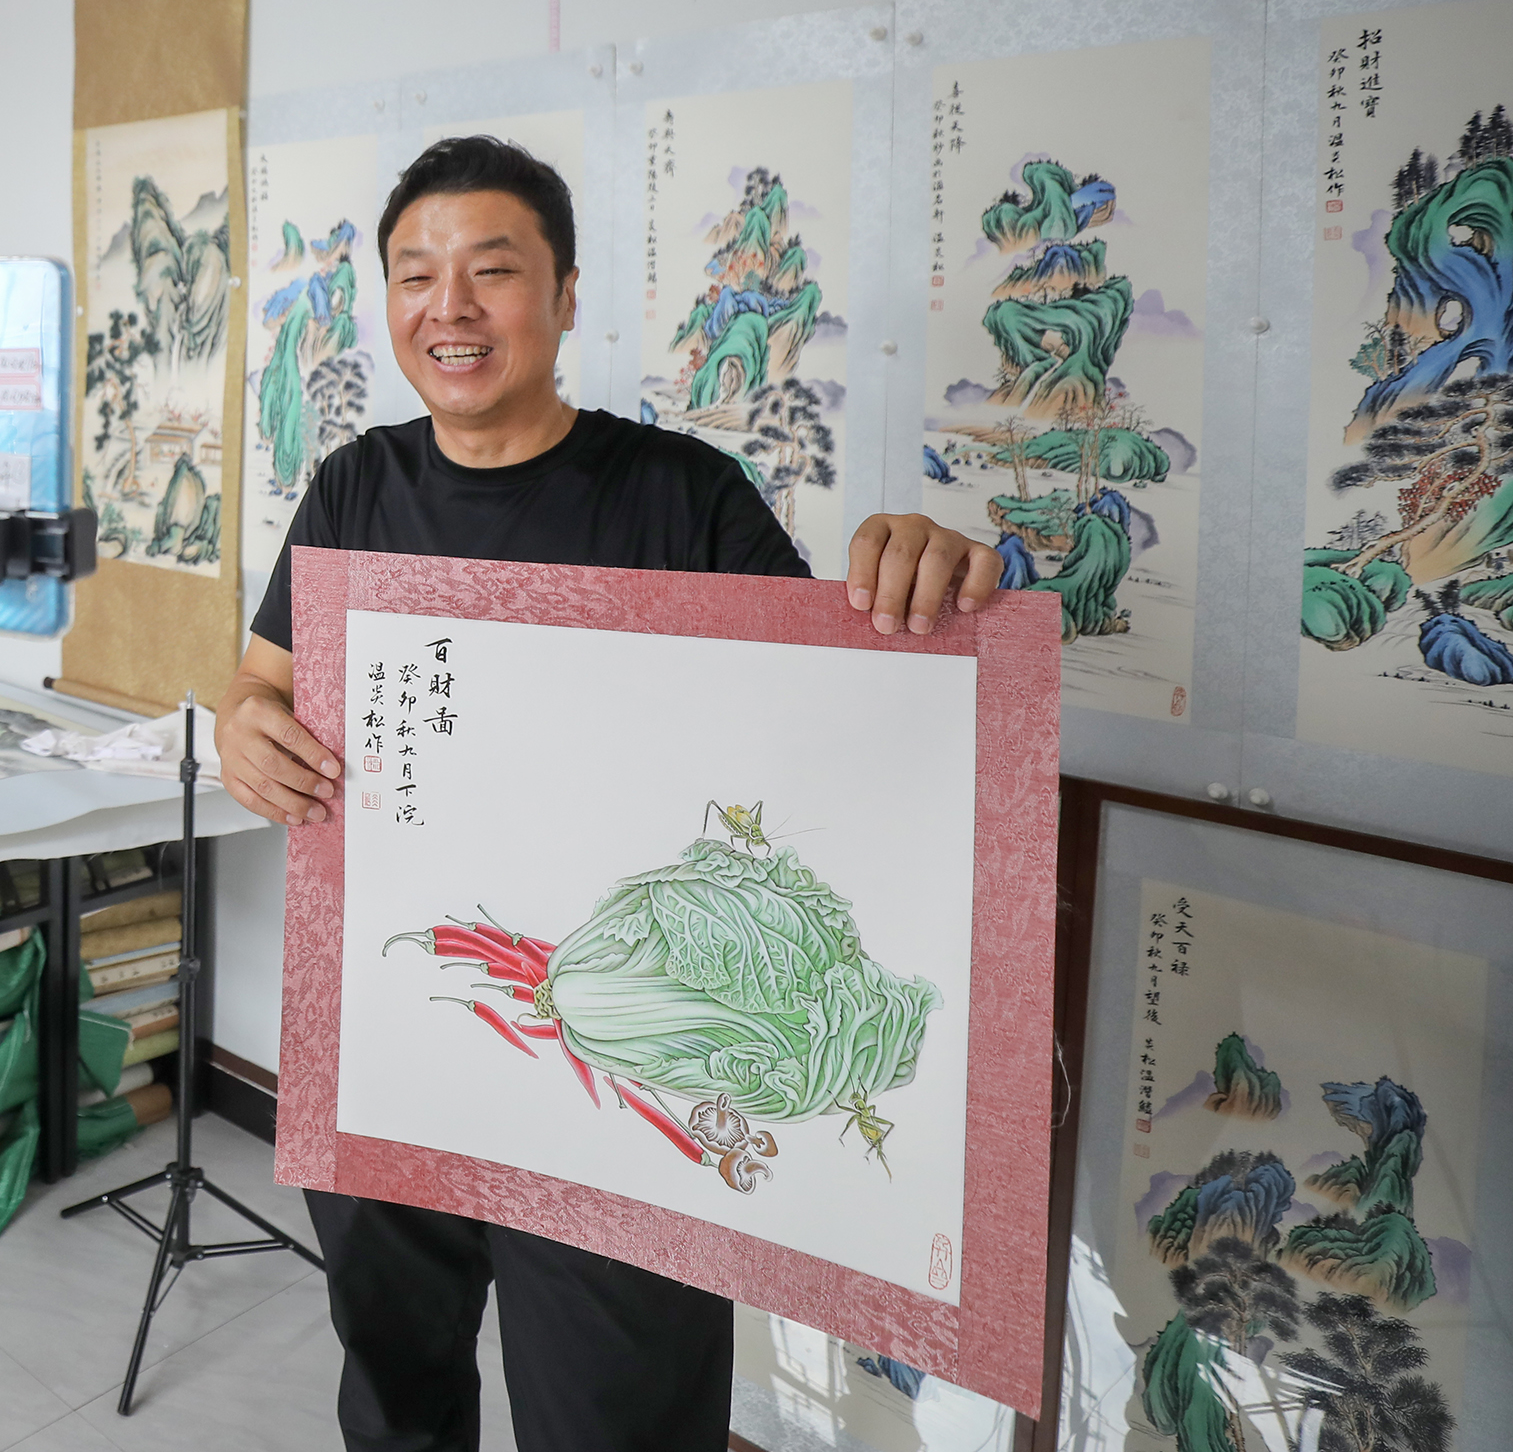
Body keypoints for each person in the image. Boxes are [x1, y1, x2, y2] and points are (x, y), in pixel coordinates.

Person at [219, 135, 1005, 1452]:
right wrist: (243, 726)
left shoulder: (679, 497)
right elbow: (261, 681)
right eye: (415, 274)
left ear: (567, 295)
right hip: (394, 1029)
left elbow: (842, 710)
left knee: (617, 1419)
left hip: (624, 1070)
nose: (450, 307)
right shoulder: (357, 482)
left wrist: (923, 581)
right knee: (396, 1389)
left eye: (492, 270)